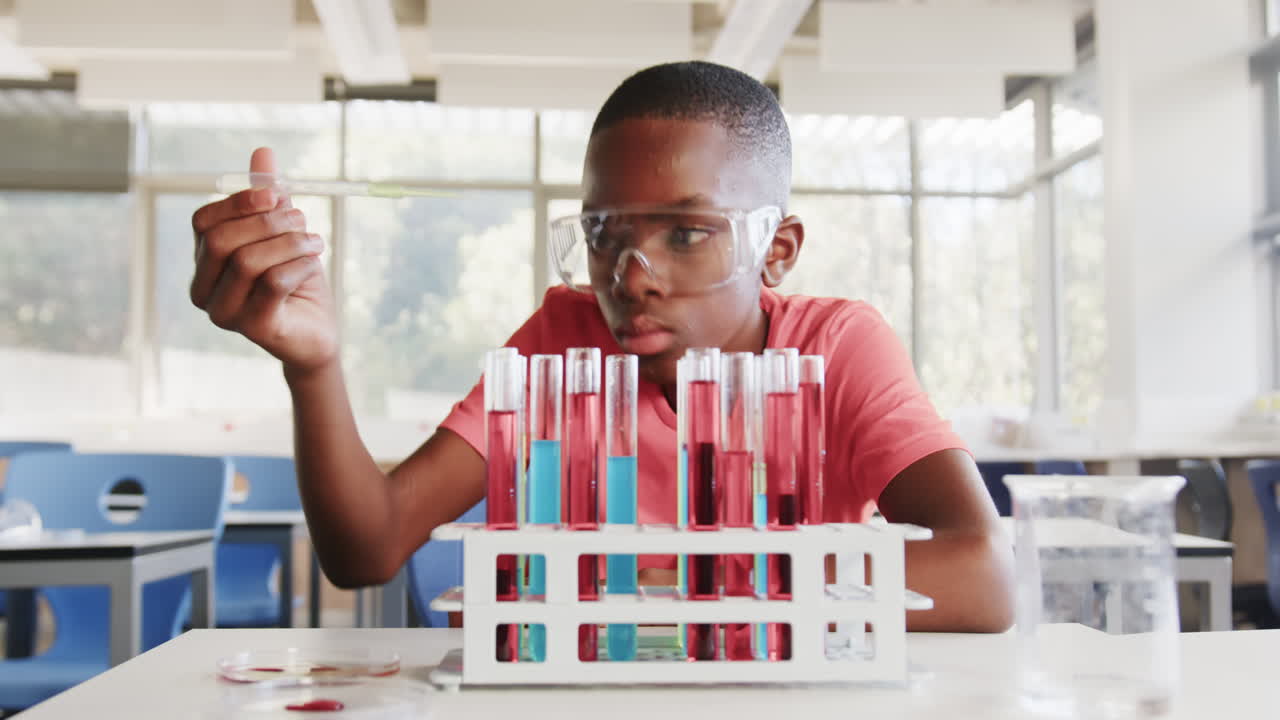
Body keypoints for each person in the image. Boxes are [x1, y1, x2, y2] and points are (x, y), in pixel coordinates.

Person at [189, 61, 1013, 632]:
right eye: (604, 233)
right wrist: (314, 364)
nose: (635, 273)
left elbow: (983, 574)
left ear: (779, 249)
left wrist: (663, 586)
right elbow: (366, 551)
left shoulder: (833, 348)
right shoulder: (563, 341)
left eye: (688, 233)